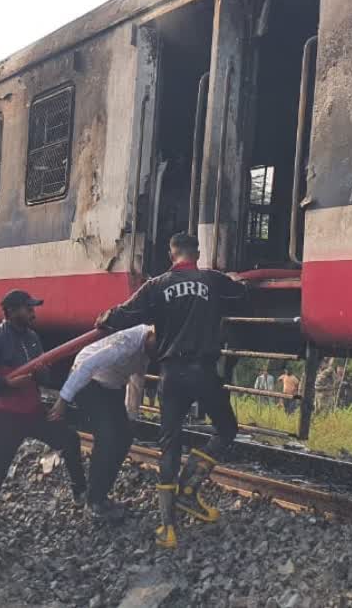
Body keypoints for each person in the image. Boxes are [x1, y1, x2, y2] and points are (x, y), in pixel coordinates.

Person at [96, 232, 248, 549]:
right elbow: (242, 293)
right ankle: (189, 487)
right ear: (198, 254)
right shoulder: (212, 280)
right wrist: (233, 281)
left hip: (172, 375)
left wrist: (104, 317)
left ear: (171, 254)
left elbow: (122, 314)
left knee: (170, 445)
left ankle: (168, 529)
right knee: (226, 429)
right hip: (205, 371)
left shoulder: (156, 285)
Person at [0, 290, 87, 565]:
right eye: (27, 308)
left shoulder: (32, 337)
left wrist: (43, 373)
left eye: (33, 307)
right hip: (4, 418)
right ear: (10, 311)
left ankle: (81, 493)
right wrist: (6, 382)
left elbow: (42, 374)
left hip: (31, 411)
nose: (33, 312)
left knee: (69, 439)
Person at [49, 325, 156, 521]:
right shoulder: (127, 342)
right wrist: (63, 400)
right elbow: (87, 365)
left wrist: (132, 417)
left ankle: (101, 495)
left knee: (124, 438)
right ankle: (94, 503)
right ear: (151, 333)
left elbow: (137, 378)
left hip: (112, 384)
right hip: (89, 379)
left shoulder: (149, 349)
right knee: (107, 436)